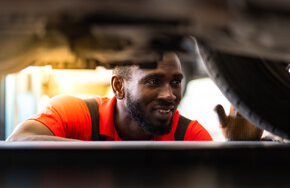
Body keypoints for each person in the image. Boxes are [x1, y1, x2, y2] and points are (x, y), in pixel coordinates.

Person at [6, 52, 212, 141]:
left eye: (175, 82)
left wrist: (240, 149)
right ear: (119, 86)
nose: (169, 95)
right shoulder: (75, 114)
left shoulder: (188, 135)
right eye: (153, 81)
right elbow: (18, 140)